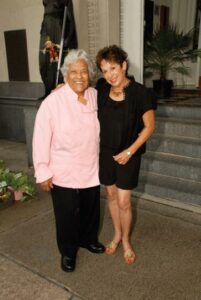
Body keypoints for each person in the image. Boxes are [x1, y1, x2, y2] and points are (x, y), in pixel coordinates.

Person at [32, 49, 105, 273]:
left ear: (90, 74)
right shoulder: (53, 102)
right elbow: (41, 137)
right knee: (66, 214)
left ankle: (88, 239)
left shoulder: (95, 95)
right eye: (74, 72)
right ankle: (68, 251)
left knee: (91, 209)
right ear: (66, 74)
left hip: (91, 168)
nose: (79, 76)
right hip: (63, 170)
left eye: (84, 72)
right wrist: (42, 171)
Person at [96, 45, 156, 265]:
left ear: (124, 65)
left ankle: (127, 241)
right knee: (111, 196)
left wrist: (130, 151)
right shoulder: (102, 88)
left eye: (113, 68)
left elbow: (149, 127)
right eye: (105, 70)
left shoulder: (141, 93)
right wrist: (62, 87)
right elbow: (80, 92)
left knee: (124, 201)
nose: (110, 75)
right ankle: (116, 235)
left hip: (129, 154)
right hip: (106, 152)